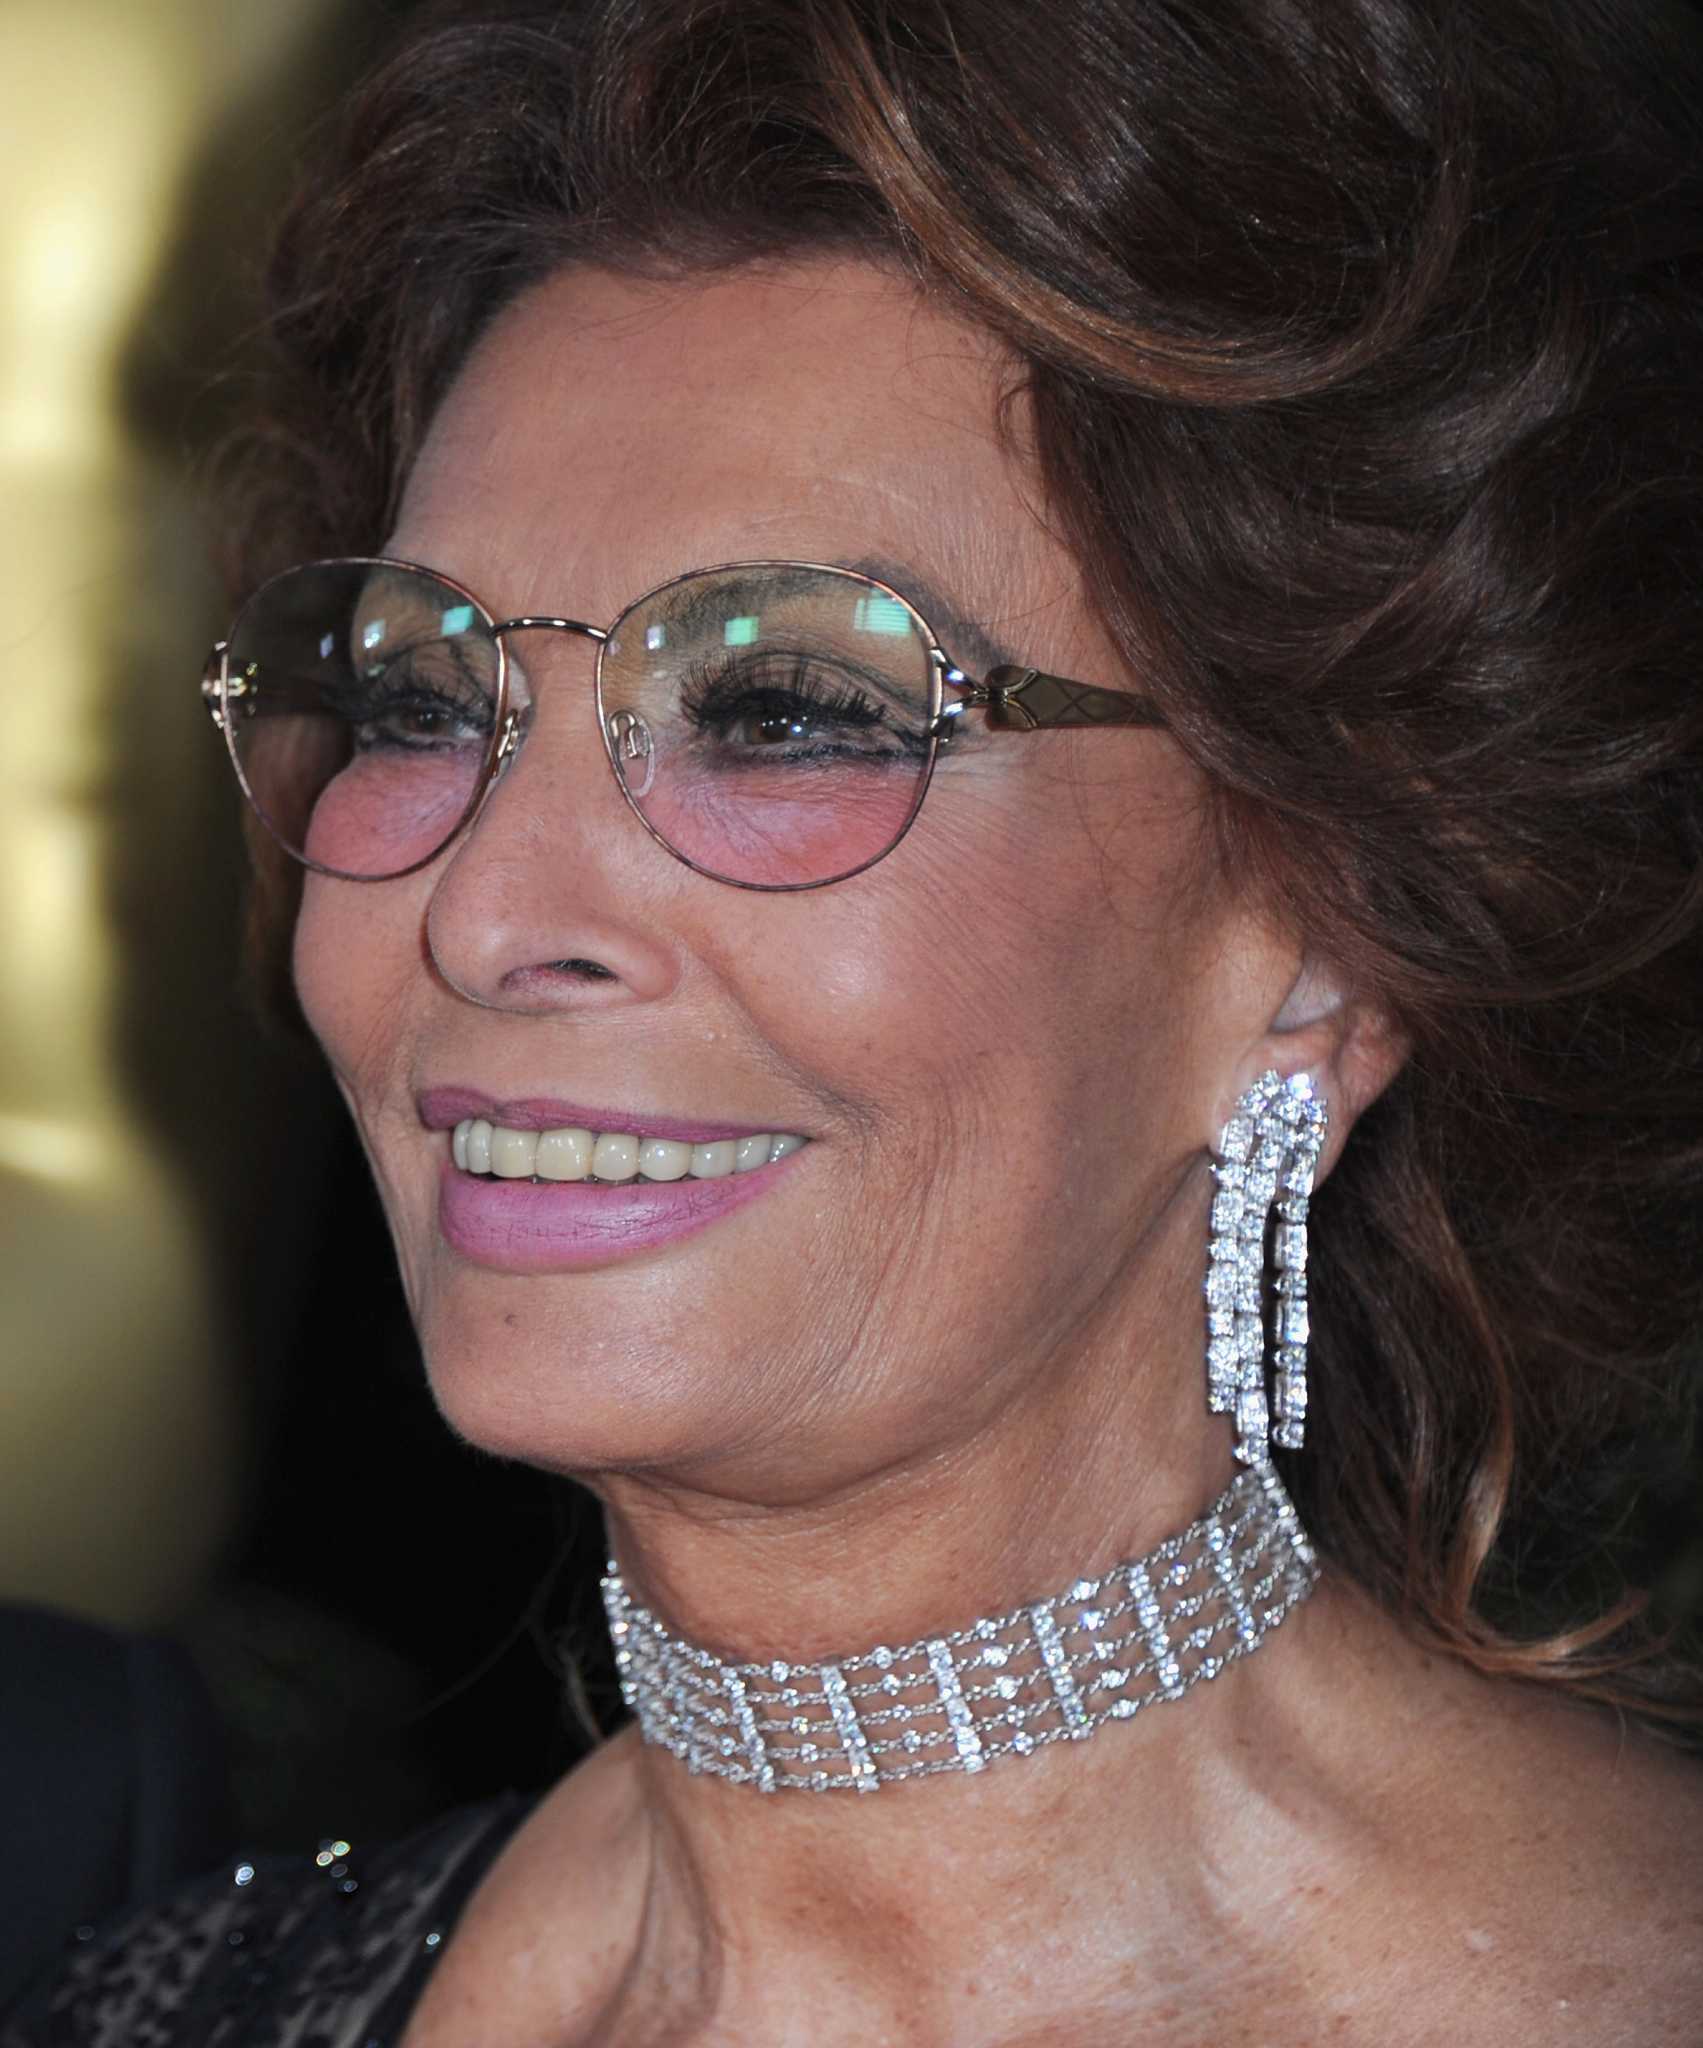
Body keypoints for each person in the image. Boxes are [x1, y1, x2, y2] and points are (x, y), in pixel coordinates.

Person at [8, 0, 1703, 2039]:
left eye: (789, 710)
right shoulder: (163, 2007)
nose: (484, 909)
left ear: (1327, 933)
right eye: (421, 699)